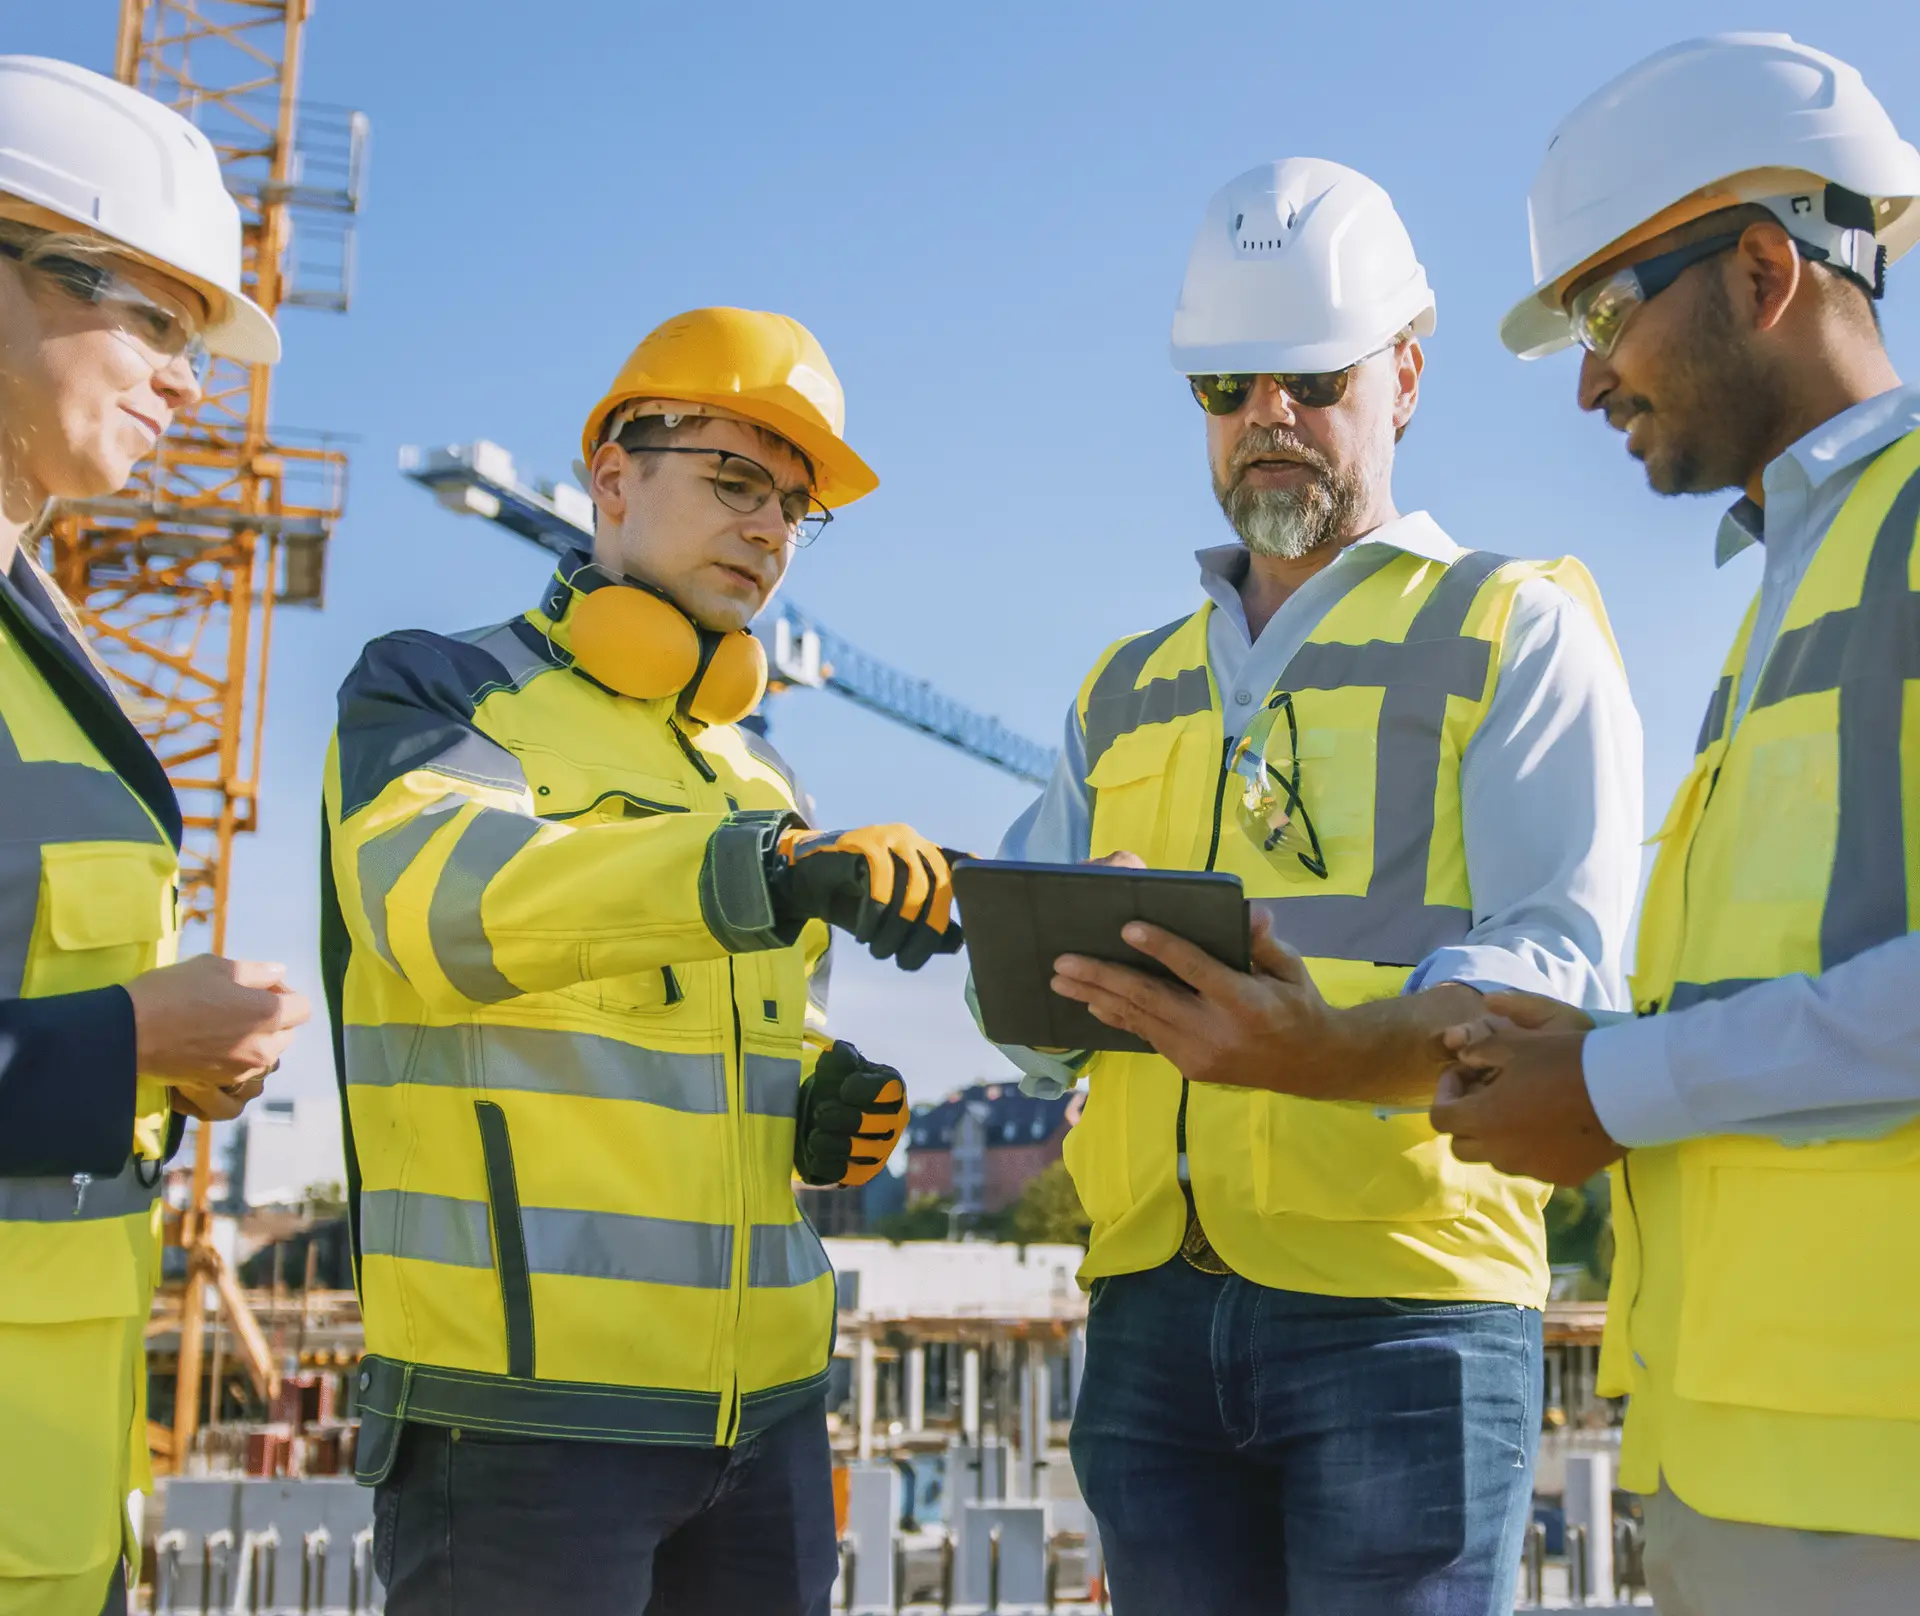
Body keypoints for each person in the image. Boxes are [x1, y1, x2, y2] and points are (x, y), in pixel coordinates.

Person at [981, 158, 1643, 1615]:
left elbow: (1561, 981)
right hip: (1152, 1309)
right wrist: (1055, 960)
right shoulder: (1125, 685)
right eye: (1226, 386)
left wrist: (1324, 1048)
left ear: (1405, 375)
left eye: (1308, 375)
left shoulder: (1509, 634)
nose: (1265, 417)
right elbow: (1032, 1034)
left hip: (1404, 1307)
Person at [322, 306, 960, 1616]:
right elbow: (449, 910)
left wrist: (819, 1097)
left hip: (764, 1424)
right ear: (612, 475)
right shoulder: (438, 694)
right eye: (737, 481)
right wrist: (760, 871)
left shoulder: (754, 768)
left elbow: (742, 1043)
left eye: (795, 506)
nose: (771, 528)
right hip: (520, 1429)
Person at [1434, 33, 1920, 1616]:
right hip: (1745, 1476)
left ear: (1765, 269)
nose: (1586, 380)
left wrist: (1616, 1083)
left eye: (1600, 314)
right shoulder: (1799, 576)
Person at [0, 56, 311, 1616]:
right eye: (154, 317)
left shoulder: (39, 633)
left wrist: (161, 1058)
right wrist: (127, 1036)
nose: (193, 380)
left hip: (51, 1507)